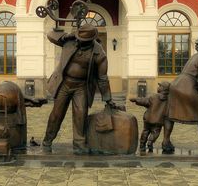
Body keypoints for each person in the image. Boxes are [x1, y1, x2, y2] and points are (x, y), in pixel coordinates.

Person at [42, 23, 113, 154]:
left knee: (81, 115)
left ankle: (79, 145)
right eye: (80, 38)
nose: (80, 42)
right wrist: (65, 36)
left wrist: (108, 98)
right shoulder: (70, 42)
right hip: (64, 83)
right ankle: (47, 141)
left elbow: (102, 78)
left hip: (81, 87)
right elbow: (50, 35)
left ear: (91, 40)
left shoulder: (99, 53)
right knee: (56, 114)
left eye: (84, 41)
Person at [130, 81, 170, 153]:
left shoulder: (154, 97)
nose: (158, 87)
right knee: (155, 132)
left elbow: (144, 101)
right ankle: (150, 142)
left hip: (148, 118)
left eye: (160, 86)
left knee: (145, 131)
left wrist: (136, 99)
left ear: (163, 89)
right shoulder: (168, 100)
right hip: (158, 120)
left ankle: (142, 145)